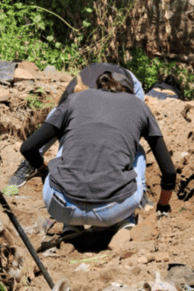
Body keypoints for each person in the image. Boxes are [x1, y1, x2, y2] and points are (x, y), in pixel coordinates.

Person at [19, 71, 177, 237]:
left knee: (67, 138)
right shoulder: (139, 106)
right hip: (114, 211)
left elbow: (27, 148)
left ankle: (70, 225)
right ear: (129, 92)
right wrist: (163, 206)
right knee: (138, 150)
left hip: (60, 206)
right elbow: (169, 171)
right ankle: (126, 220)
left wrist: (45, 172)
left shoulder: (74, 100)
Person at [2, 63, 144, 196]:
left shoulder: (122, 97)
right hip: (92, 74)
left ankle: (135, 183)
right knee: (55, 119)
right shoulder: (71, 96)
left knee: (124, 135)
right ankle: (28, 164)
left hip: (126, 82)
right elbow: (62, 129)